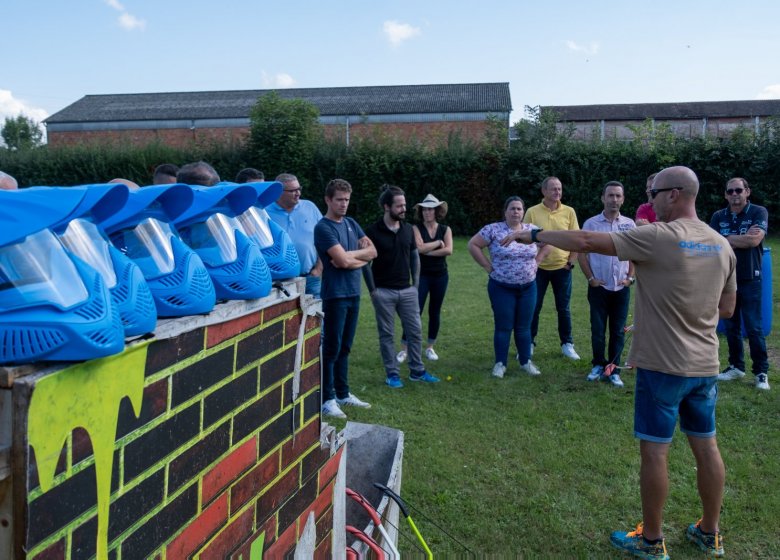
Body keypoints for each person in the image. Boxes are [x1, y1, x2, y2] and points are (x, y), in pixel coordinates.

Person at [503, 166, 736, 559]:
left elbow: (586, 239)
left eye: (655, 192)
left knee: (655, 451)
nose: (650, 200)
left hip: (663, 367)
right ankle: (710, 534)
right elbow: (726, 308)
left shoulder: (659, 236)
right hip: (705, 367)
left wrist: (535, 233)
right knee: (707, 447)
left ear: (675, 194)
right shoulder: (721, 244)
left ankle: (651, 541)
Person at [363, 185, 441, 388]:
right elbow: (365, 263)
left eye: (404, 205)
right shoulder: (372, 231)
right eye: (399, 206)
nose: (403, 209)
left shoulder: (408, 230)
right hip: (383, 292)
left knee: (415, 332)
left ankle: (417, 371)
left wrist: (415, 285)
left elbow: (415, 257)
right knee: (387, 334)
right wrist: (373, 290)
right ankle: (392, 374)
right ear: (387, 207)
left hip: (407, 291)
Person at [314, 179, 377, 418]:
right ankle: (327, 398)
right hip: (335, 295)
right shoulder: (324, 228)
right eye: (339, 199)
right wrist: (356, 259)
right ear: (328, 200)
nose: (343, 204)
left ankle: (343, 393)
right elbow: (341, 262)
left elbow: (373, 252)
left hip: (353, 293)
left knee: (346, 347)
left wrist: (351, 256)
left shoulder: (351, 223)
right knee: (331, 347)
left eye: (347, 199)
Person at [468, 196, 548, 378]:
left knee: (524, 327)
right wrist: (488, 267)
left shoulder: (531, 230)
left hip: (528, 287)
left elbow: (548, 244)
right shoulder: (493, 230)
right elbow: (473, 244)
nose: (516, 212)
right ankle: (500, 363)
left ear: (523, 212)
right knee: (504, 326)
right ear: (505, 212)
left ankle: (525, 361)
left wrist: (538, 261)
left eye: (519, 209)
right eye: (512, 208)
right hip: (501, 287)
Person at [710, 177, 770, 390]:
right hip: (725, 278)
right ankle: (736, 366)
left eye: (738, 190)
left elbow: (754, 241)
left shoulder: (758, 212)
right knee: (731, 326)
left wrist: (725, 237)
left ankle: (761, 372)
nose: (735, 194)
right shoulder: (718, 216)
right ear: (726, 195)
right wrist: (740, 237)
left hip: (750, 278)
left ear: (747, 192)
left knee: (753, 327)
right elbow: (712, 243)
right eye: (730, 191)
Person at [578, 181, 636, 388]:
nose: (614, 199)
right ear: (603, 198)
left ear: (623, 199)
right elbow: (582, 254)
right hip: (599, 287)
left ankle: (613, 369)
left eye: (618, 196)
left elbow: (635, 255)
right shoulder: (591, 224)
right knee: (598, 328)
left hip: (620, 288)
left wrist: (630, 278)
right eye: (610, 195)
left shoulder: (629, 224)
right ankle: (597, 364)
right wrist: (590, 278)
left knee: (618, 330)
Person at [523, 176, 581, 360]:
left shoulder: (569, 212)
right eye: (554, 189)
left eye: (560, 189)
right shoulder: (532, 212)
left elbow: (576, 239)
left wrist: (571, 262)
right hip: (538, 269)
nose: (558, 192)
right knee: (534, 307)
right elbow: (524, 238)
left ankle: (567, 344)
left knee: (563, 308)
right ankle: (529, 343)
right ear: (544, 191)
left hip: (562, 269)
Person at [397, 194, 453, 363]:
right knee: (414, 312)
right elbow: (419, 248)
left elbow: (449, 250)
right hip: (420, 275)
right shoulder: (415, 228)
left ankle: (430, 348)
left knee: (434, 312)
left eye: (431, 209)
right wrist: (437, 243)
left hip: (440, 276)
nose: (427, 213)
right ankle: (404, 349)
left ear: (437, 211)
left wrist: (428, 251)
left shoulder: (446, 229)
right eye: (425, 210)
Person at [266, 173, 323, 297]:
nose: (298, 193)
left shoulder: (310, 207)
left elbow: (325, 239)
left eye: (299, 189)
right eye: (292, 190)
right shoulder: (265, 212)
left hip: (310, 277)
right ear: (279, 192)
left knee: (315, 315)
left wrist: (318, 269)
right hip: (279, 281)